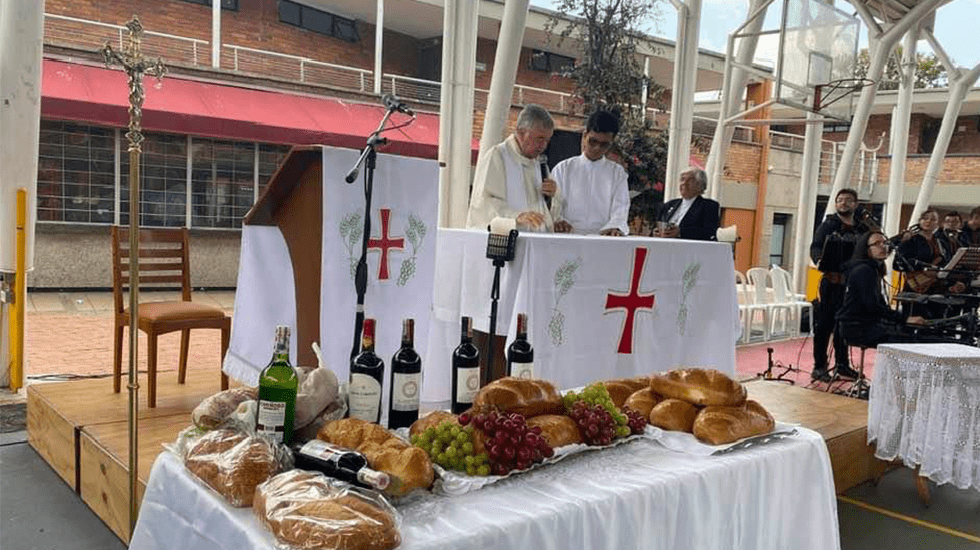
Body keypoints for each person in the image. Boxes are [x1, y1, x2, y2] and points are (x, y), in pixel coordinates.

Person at [466, 104, 561, 232]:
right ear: (521, 133)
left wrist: (553, 195)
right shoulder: (498, 156)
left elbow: (546, 211)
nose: (543, 146)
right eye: (540, 139)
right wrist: (516, 216)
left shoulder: (540, 165)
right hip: (507, 242)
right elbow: (485, 202)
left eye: (547, 140)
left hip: (536, 242)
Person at [808, 188, 863, 381]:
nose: (843, 203)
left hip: (851, 284)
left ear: (855, 204)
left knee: (844, 325)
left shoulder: (861, 227)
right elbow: (815, 246)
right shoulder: (829, 224)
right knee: (824, 325)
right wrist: (820, 259)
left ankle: (842, 364)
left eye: (848, 200)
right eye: (840, 200)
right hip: (831, 282)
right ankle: (819, 366)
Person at [836, 231, 925, 348]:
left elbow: (878, 304)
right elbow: (872, 306)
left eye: (885, 243)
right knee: (912, 342)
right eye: (877, 244)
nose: (883, 247)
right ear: (866, 248)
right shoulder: (864, 270)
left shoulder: (872, 269)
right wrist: (905, 319)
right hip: (858, 327)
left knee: (908, 334)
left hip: (864, 324)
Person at [551, 110, 629, 236]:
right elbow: (554, 204)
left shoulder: (617, 174)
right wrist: (559, 221)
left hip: (603, 239)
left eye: (604, 145)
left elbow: (620, 209)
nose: (597, 148)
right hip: (567, 237)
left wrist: (614, 227)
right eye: (593, 141)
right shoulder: (563, 169)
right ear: (584, 135)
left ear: (611, 143)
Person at [653, 168, 720, 241]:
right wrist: (656, 232)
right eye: (682, 179)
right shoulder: (669, 205)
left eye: (690, 180)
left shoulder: (709, 206)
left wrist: (680, 232)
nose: (684, 183)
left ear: (700, 185)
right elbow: (658, 224)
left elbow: (709, 232)